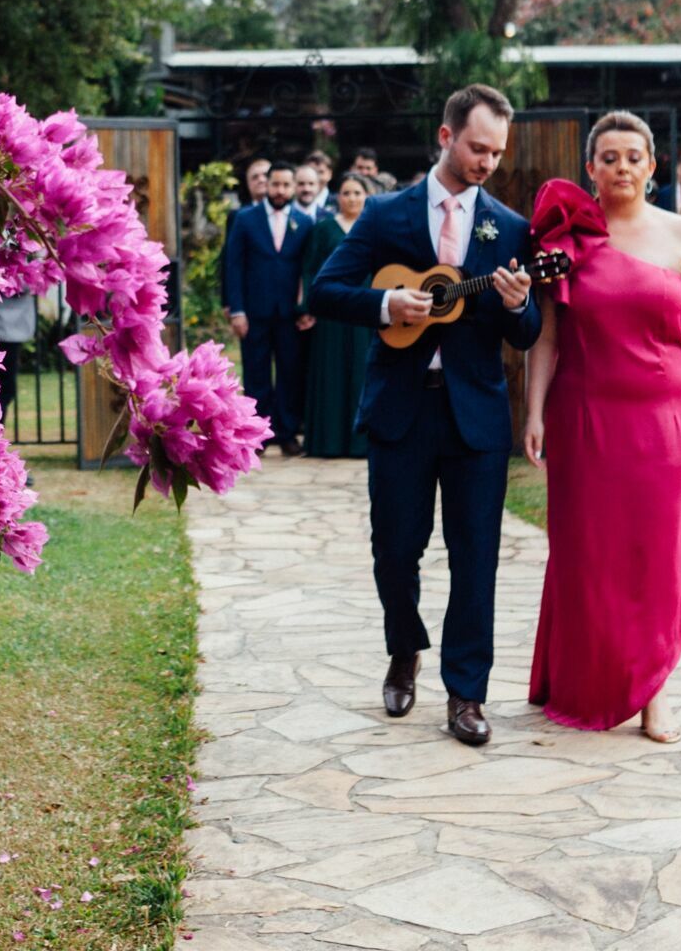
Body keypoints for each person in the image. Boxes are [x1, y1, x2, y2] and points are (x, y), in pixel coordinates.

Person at [311, 86, 543, 747]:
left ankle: (467, 694)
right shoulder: (384, 215)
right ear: (445, 137)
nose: (487, 162)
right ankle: (404, 649)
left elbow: (524, 334)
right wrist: (387, 308)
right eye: (477, 147)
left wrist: (521, 302)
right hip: (400, 411)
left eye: (497, 152)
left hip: (476, 417)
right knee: (395, 549)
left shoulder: (511, 228)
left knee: (477, 559)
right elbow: (326, 290)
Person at [523, 110, 681, 744]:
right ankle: (583, 676)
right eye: (608, 157)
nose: (621, 167)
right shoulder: (563, 242)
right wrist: (533, 412)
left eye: (633, 157)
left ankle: (653, 691)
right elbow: (547, 336)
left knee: (654, 553)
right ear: (589, 168)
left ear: (652, 165)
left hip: (663, 419)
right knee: (586, 550)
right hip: (584, 413)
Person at [224, 161, 312, 457]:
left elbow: (308, 270)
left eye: (286, 185)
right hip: (254, 311)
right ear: (267, 184)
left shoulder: (304, 222)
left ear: (293, 187)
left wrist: (306, 307)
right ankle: (257, 435)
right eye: (275, 184)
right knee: (256, 374)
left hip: (289, 313)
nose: (280, 190)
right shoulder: (245, 219)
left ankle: (287, 433)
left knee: (290, 372)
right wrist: (237, 310)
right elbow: (233, 266)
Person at [296, 174, 375, 459]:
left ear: (366, 196)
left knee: (361, 373)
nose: (351, 198)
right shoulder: (324, 229)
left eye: (357, 192)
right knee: (330, 374)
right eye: (346, 192)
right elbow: (309, 269)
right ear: (337, 197)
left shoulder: (373, 228)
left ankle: (360, 443)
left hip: (365, 309)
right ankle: (327, 442)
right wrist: (306, 307)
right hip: (330, 311)